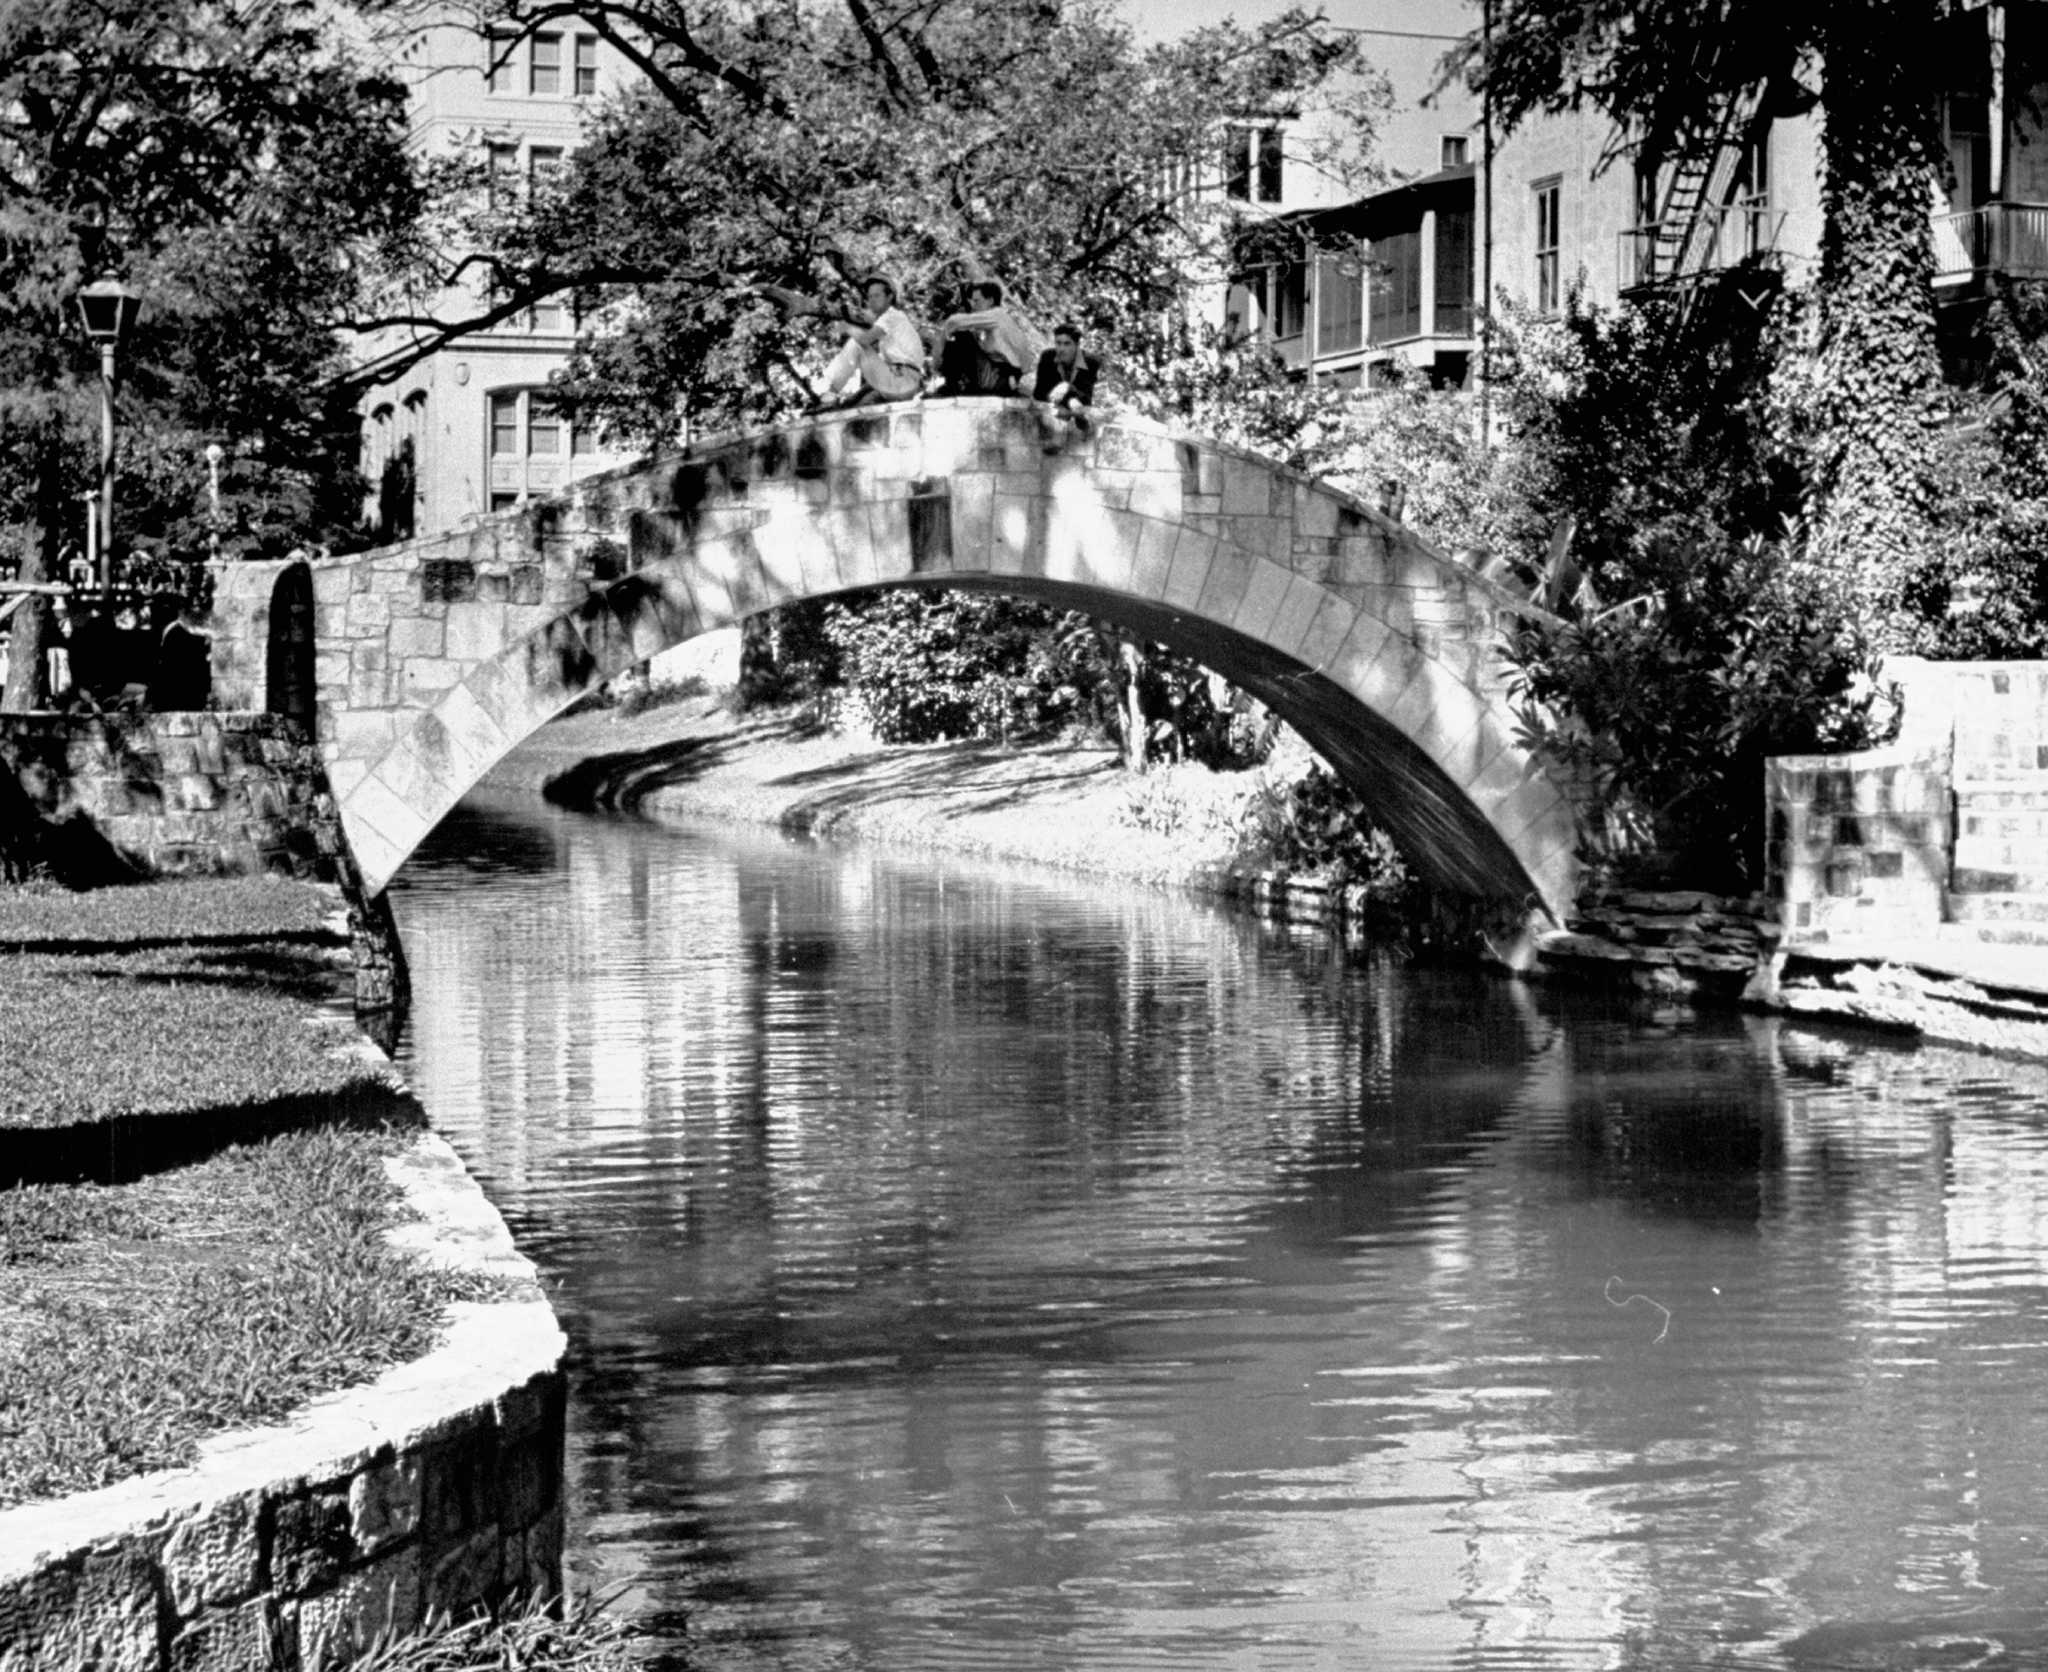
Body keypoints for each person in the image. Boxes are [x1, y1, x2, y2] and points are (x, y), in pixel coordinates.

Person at [754, 271, 926, 409]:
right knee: (857, 407)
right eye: (870, 297)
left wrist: (847, 328)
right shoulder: (893, 322)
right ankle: (833, 404)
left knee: (857, 344)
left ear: (890, 297)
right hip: (903, 383)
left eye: (877, 296)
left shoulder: (891, 316)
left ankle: (830, 394)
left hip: (902, 380)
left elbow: (864, 341)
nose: (872, 301)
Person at [932, 279, 1041, 397]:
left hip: (1002, 380)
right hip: (1007, 377)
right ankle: (958, 384)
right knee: (966, 336)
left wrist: (940, 344)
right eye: (972, 301)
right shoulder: (1002, 318)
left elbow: (954, 321)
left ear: (990, 300)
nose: (973, 305)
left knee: (961, 337)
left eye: (977, 301)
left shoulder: (996, 315)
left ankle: (951, 386)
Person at [1032, 322, 1103, 432]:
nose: (1061, 349)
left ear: (1077, 345)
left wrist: (1067, 387)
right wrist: (1067, 401)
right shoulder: (1047, 357)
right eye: (1058, 343)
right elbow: (1038, 393)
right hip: (1053, 414)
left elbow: (1086, 399)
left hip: (1079, 415)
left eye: (1067, 344)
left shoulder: (1091, 362)